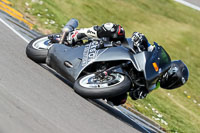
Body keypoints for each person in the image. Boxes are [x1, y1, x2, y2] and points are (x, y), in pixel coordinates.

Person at [50, 22, 189, 99]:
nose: (172, 84)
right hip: (119, 47)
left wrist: (140, 93)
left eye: (174, 84)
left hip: (120, 71)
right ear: (171, 71)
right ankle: (77, 34)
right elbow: (145, 42)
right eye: (174, 80)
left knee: (120, 99)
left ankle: (95, 77)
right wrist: (141, 40)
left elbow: (138, 94)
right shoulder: (157, 58)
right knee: (116, 30)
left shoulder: (155, 83)